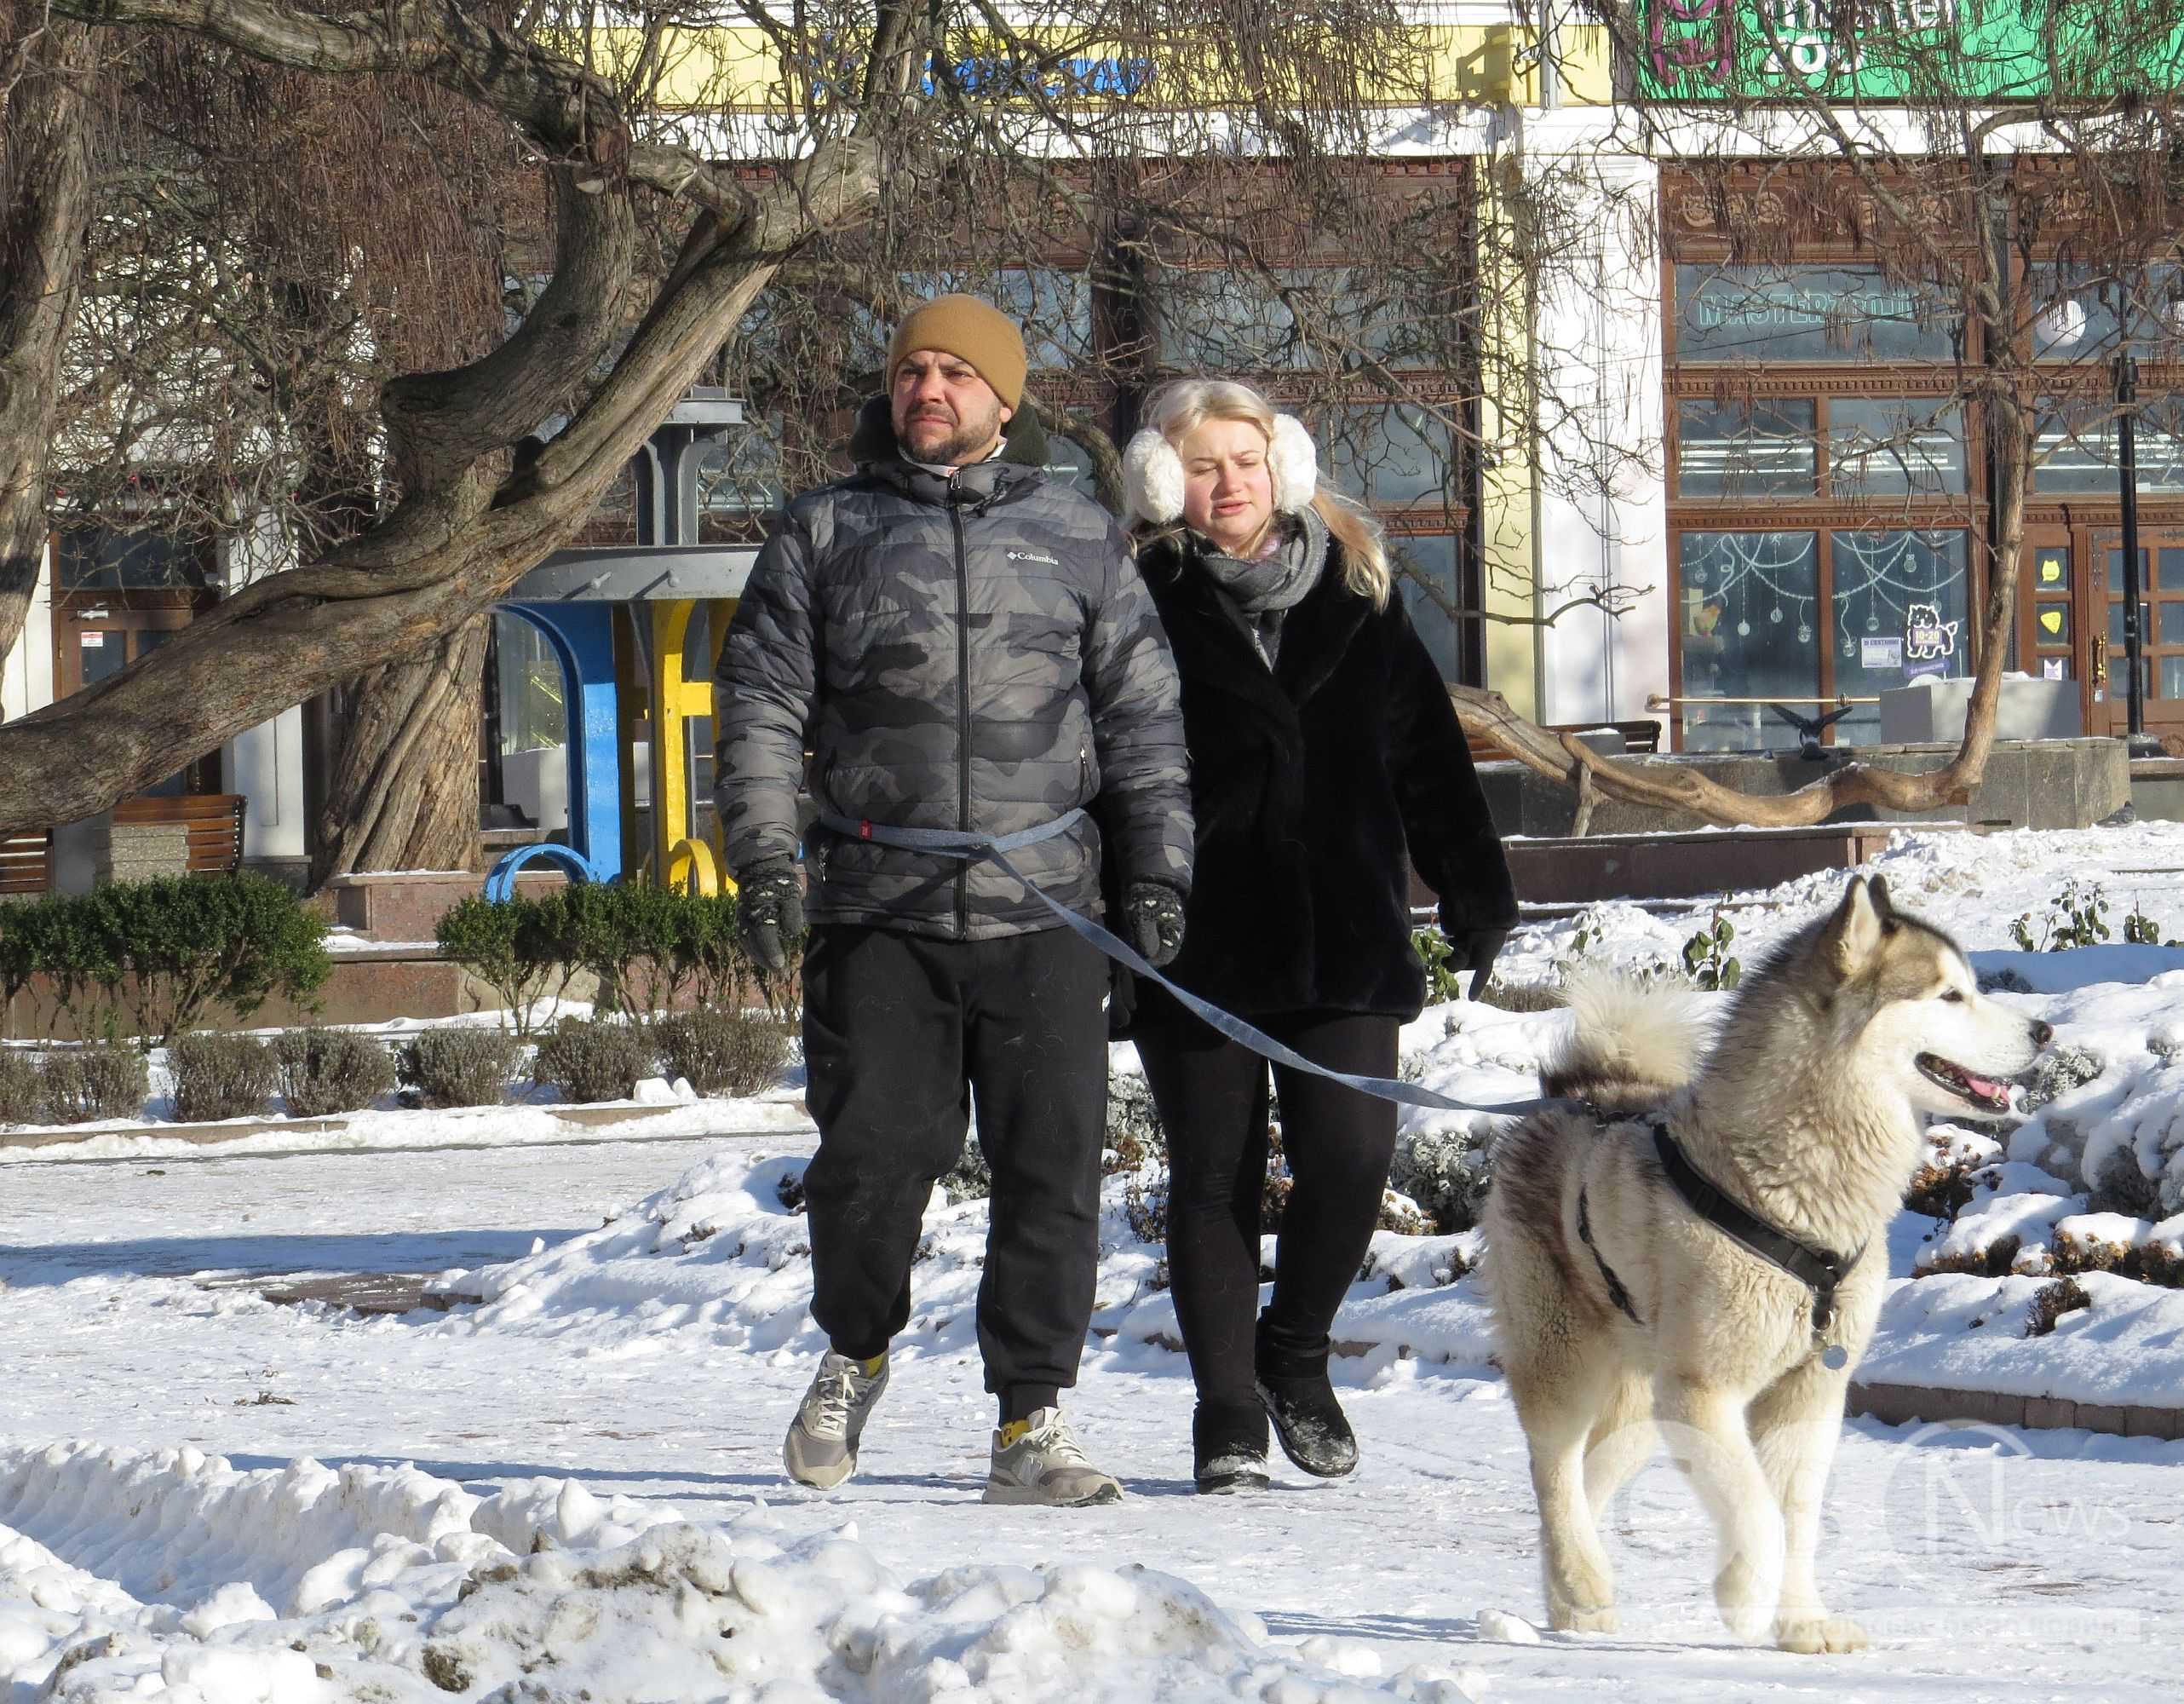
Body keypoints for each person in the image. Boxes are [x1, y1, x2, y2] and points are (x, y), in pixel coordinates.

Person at [714, 295, 1194, 1507]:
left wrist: (1158, 877)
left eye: (955, 374)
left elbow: (1143, 726)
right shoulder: (825, 530)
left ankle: (1030, 1423)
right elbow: (762, 707)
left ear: (1004, 399)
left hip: (1046, 912)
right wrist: (767, 861)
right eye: (912, 371)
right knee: (877, 1158)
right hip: (880, 907)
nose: (929, 389)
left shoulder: (1081, 537)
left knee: (1051, 1171)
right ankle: (857, 1348)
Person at [1117, 378, 1517, 1494]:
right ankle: (1228, 1414)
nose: (1228, 483)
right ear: (1167, 482)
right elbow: (1090, 767)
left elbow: (1426, 753)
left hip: (1346, 930)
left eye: (1245, 459)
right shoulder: (1131, 595)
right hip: (1196, 936)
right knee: (1214, 1181)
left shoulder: (1357, 587)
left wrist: (1475, 890)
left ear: (1281, 467)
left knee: (1350, 1162)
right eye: (1203, 465)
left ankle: (1295, 1354)